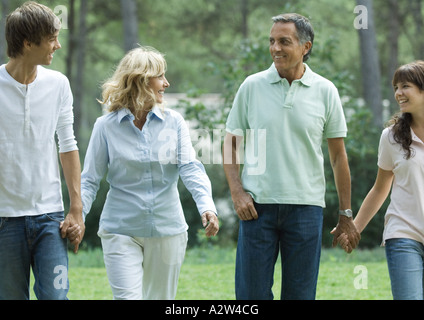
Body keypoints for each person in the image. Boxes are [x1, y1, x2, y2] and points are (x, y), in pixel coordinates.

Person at [222, 13, 360, 300]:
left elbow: (338, 157)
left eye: (284, 41)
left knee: (300, 295)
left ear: (305, 47)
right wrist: (237, 192)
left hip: (306, 209)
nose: (275, 48)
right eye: (272, 41)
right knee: (250, 297)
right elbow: (230, 145)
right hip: (256, 208)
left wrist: (346, 214)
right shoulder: (251, 86)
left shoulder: (325, 91)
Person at [81, 46, 219, 300]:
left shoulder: (173, 121)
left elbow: (189, 166)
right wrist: (77, 216)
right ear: (141, 80)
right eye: (160, 77)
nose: (167, 83)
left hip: (168, 230)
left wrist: (206, 206)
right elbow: (89, 179)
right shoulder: (106, 126)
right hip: (120, 229)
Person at [0, 2, 84, 300]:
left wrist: (76, 208)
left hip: (50, 217)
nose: (58, 46)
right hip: (4, 219)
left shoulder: (58, 84)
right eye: (51, 39)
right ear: (27, 42)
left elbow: (68, 144)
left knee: (57, 296)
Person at [337, 61, 424, 300]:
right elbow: (380, 188)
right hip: (404, 234)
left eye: (405, 86)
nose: (398, 93)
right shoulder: (392, 137)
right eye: (396, 87)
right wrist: (354, 228)